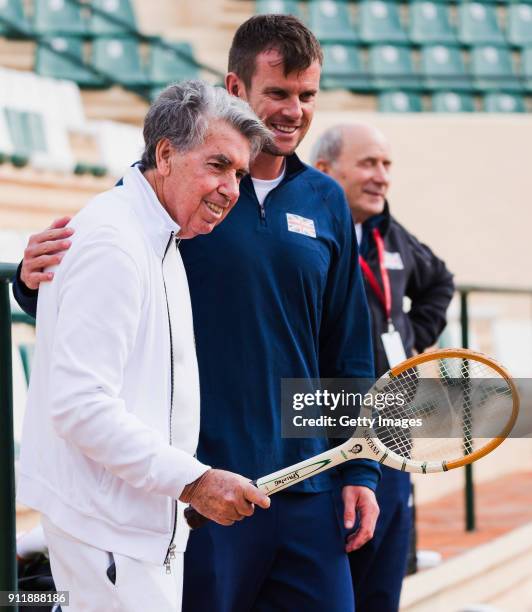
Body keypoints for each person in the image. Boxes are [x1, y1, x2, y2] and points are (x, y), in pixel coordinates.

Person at [13, 16, 380, 612]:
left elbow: (347, 347)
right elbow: (99, 285)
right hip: (201, 490)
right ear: (236, 89)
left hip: (306, 482)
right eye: (277, 94)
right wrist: (33, 284)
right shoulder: (173, 191)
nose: (293, 112)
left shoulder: (326, 200)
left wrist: (361, 469)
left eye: (307, 96)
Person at [16, 80, 272, 612]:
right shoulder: (114, 241)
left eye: (239, 174)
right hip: (109, 535)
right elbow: (80, 406)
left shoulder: (158, 233)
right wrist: (195, 480)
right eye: (218, 165)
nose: (230, 188)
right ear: (165, 154)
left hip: (135, 530)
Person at [311, 122, 455, 612]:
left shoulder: (389, 234)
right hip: (323, 426)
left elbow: (440, 283)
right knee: (330, 580)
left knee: (382, 581)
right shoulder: (306, 234)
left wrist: (410, 340)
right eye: (368, 163)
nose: (381, 176)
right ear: (326, 170)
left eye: (386, 164)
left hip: (391, 429)